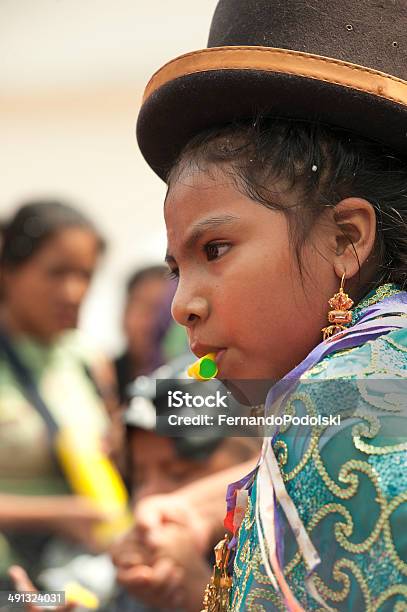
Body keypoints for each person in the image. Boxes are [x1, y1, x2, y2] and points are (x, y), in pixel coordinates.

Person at [129, 1, 407, 610]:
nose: (182, 306)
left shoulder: (340, 405)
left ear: (346, 239)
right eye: (177, 269)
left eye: (216, 248)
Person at [0, 200, 121, 588]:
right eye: (56, 273)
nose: (73, 291)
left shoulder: (88, 358)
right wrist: (55, 514)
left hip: (71, 582)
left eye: (84, 275)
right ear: (8, 272)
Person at [112, 357, 260, 612]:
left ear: (249, 458)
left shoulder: (284, 549)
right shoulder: (139, 560)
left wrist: (200, 594)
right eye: (139, 479)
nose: (149, 497)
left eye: (179, 473)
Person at [114, 266, 187, 404]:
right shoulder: (100, 379)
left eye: (162, 313)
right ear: (124, 313)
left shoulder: (188, 390)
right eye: (143, 309)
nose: (153, 324)